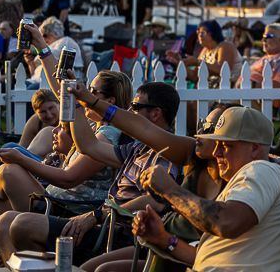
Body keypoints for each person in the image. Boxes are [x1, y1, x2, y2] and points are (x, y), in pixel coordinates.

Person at [0, 81, 180, 266]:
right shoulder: (138, 147)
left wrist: (96, 215)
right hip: (101, 222)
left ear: (155, 113)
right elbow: (89, 146)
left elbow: (156, 199)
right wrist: (75, 99)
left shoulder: (166, 154)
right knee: (5, 222)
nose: (130, 111)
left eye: (136, 106)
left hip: (116, 230)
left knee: (22, 225)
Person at [132, 107, 280, 272]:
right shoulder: (244, 183)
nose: (216, 152)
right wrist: (163, 238)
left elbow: (227, 223)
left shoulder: (261, 170)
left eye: (225, 145)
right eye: (216, 144)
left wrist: (171, 190)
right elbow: (213, 256)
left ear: (254, 148)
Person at [79, 101, 235, 272]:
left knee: (104, 270)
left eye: (209, 128)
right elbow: (139, 128)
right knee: (88, 268)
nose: (199, 134)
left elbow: (143, 129)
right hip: (154, 245)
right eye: (201, 124)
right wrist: (86, 100)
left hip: (178, 256)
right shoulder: (195, 157)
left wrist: (168, 190)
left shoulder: (236, 184)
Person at [0, 71, 131, 217]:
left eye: (92, 91)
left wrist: (20, 158)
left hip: (69, 211)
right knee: (2, 221)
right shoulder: (95, 124)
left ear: (110, 101)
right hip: (54, 199)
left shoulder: (109, 134)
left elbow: (68, 178)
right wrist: (42, 51)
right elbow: (59, 92)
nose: (86, 93)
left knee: (8, 172)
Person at [167, 20, 241, 88]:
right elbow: (194, 77)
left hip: (226, 91)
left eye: (202, 33)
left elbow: (222, 70)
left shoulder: (225, 46)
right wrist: (179, 63)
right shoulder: (205, 50)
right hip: (210, 90)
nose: (199, 36)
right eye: (198, 33)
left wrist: (197, 62)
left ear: (212, 33)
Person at [24, 16, 83, 89]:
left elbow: (54, 57)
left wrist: (38, 49)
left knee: (28, 88)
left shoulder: (66, 41)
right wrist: (30, 63)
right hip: (38, 81)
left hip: (52, 83)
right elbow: (35, 74)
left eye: (44, 35)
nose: (44, 39)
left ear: (54, 33)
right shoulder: (52, 46)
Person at [247, 23, 280, 88]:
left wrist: (253, 80)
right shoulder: (266, 58)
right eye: (264, 36)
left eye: (268, 36)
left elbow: (279, 88)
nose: (263, 40)